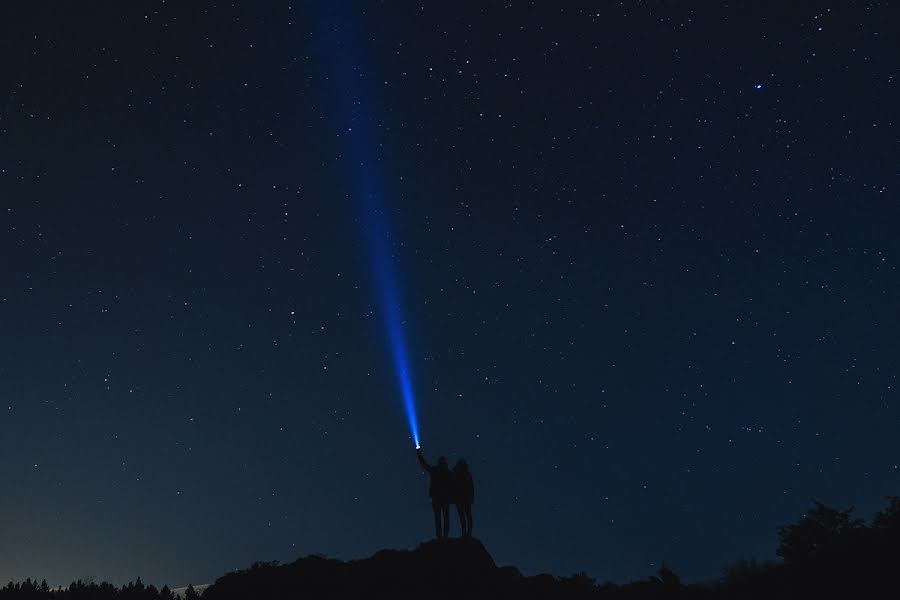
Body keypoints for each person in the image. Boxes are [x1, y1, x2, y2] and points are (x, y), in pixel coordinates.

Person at [416, 447, 453, 539]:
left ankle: (439, 536)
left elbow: (424, 465)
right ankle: (445, 536)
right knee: (445, 517)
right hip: (445, 498)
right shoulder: (448, 473)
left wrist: (418, 452)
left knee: (438, 518)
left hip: (437, 498)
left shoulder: (435, 470)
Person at [453, 459, 475, 538]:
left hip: (461, 499)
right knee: (466, 517)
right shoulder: (467, 475)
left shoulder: (457, 474)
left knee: (463, 517)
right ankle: (467, 534)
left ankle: (465, 534)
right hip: (464, 499)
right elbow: (471, 488)